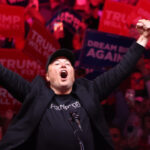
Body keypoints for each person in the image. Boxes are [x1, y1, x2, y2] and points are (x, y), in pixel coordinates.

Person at [0, 19, 150, 150]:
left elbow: (121, 70)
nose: (63, 65)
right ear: (47, 76)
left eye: (68, 64)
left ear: (73, 74)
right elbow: (5, 75)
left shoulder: (90, 91)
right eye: (57, 64)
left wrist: (144, 38)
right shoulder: (34, 94)